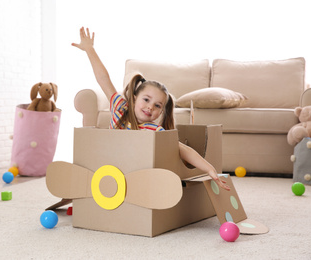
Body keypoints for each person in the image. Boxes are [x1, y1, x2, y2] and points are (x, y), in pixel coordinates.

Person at [72, 27, 230, 191]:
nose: (150, 107)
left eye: (157, 105)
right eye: (146, 100)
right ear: (134, 99)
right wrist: (89, 49)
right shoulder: (120, 109)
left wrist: (209, 168)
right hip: (109, 169)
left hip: (135, 177)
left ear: (161, 111)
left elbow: (183, 149)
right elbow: (103, 79)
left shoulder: (155, 130)